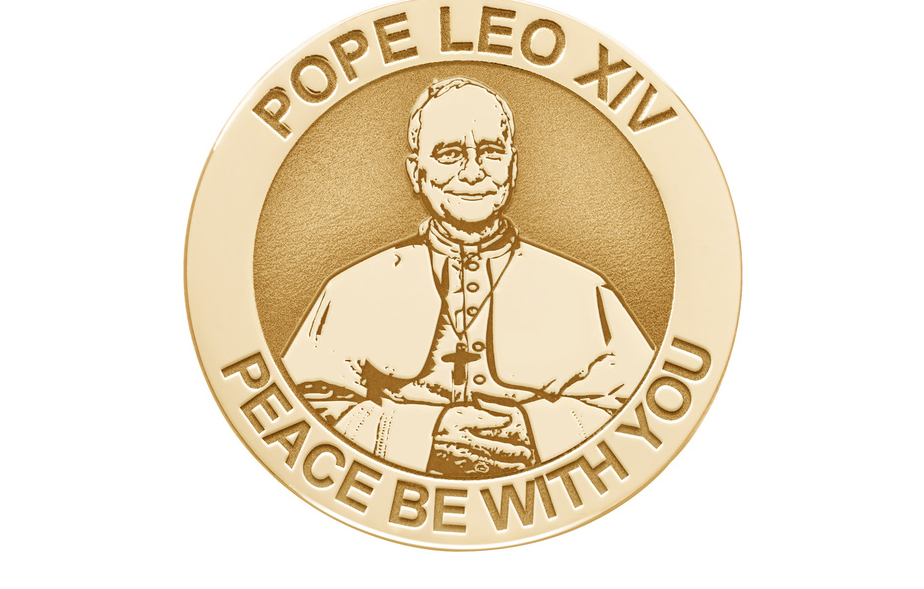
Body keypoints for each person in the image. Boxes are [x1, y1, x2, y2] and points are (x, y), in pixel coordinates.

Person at [281, 77, 655, 477]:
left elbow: (638, 414)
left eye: (491, 152)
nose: (473, 172)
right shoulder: (353, 289)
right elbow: (305, 412)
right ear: (416, 172)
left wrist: (532, 430)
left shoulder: (582, 289)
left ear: (512, 167)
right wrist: (423, 435)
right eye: (450, 154)